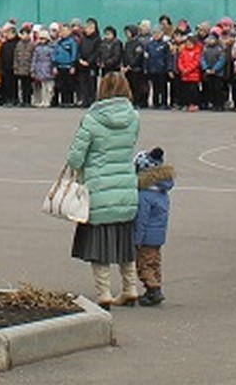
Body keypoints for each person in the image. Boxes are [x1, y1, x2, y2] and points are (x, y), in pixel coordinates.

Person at [65, 70, 140, 308]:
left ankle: (104, 292)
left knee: (99, 244)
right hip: (125, 184)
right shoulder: (134, 117)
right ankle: (130, 287)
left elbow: (76, 156)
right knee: (124, 240)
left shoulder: (92, 118)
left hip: (98, 185)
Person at [130, 147, 174, 306]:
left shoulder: (144, 195)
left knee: (144, 264)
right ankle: (156, 286)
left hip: (147, 237)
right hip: (158, 235)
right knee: (155, 262)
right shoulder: (162, 192)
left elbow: (142, 220)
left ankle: (153, 289)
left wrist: (137, 239)